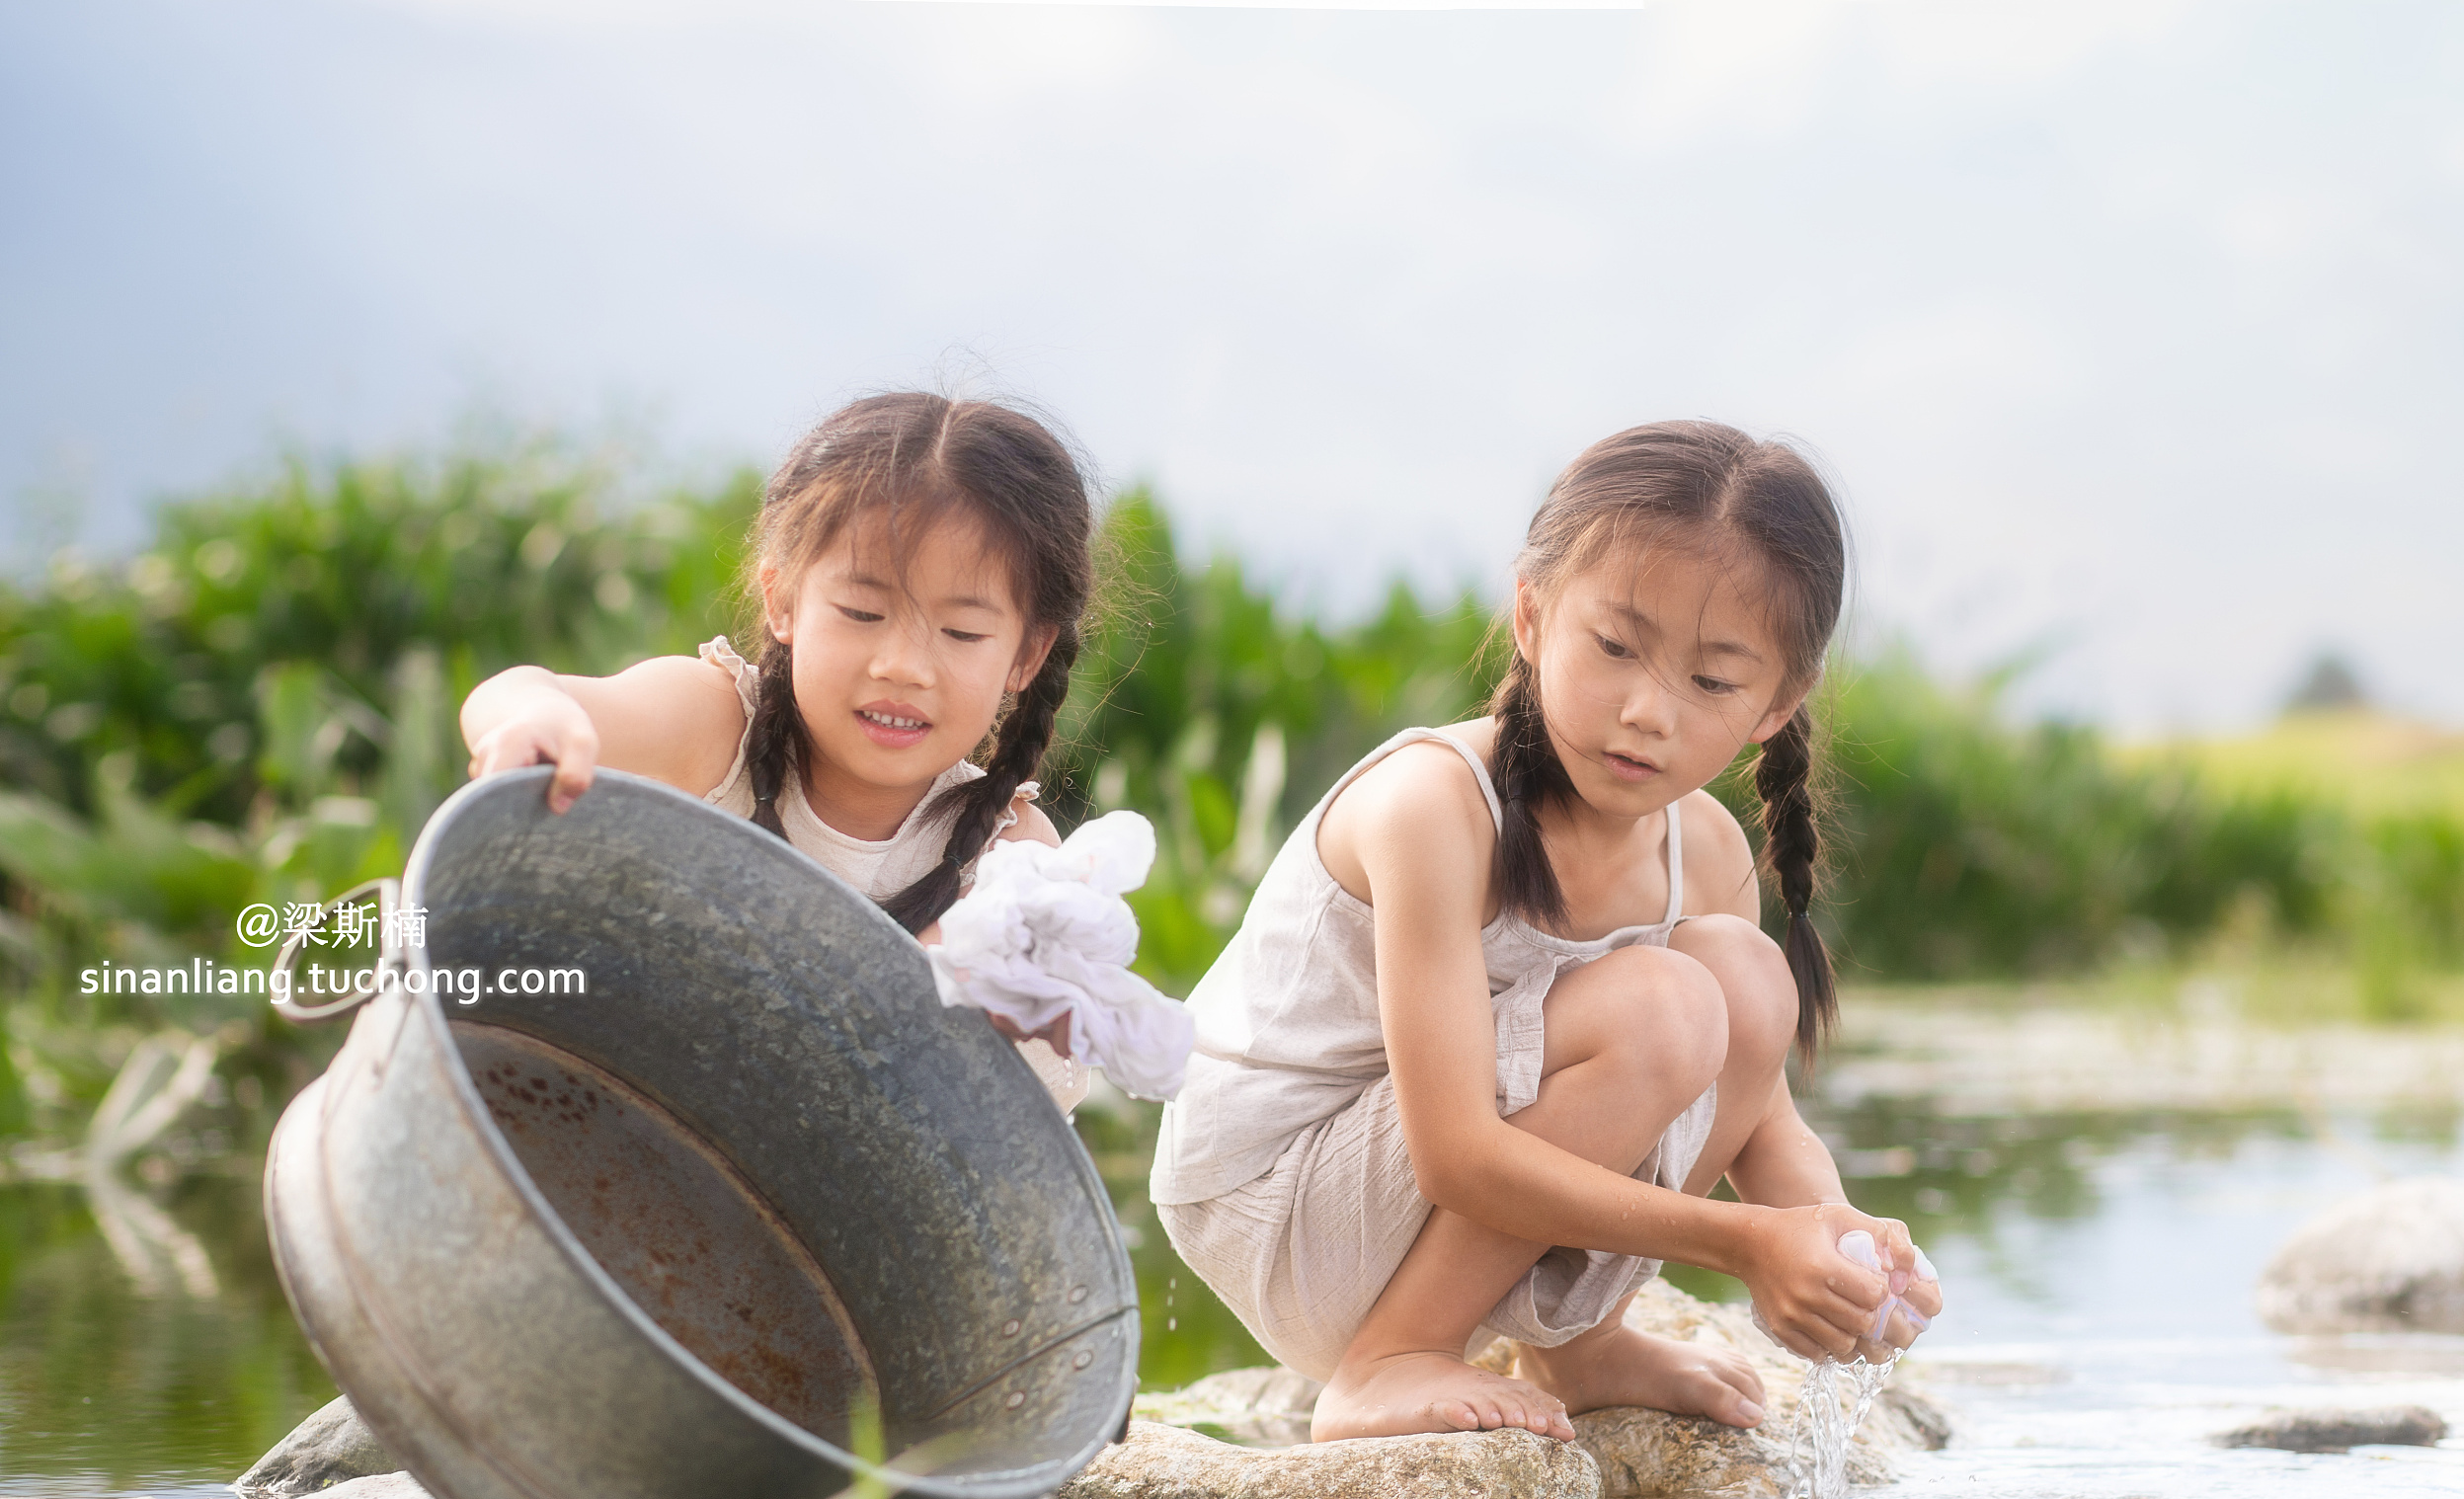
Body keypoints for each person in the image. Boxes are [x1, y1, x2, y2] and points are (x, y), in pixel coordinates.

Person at [1152, 420, 1940, 1442]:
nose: (1647, 711)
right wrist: (1745, 1244)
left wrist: (1840, 1247)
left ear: (1775, 706)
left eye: (1710, 680)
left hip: (1424, 1209)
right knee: (1666, 1006)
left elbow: (1759, 1121)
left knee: (1743, 980)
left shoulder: (1701, 850)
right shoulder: (1433, 805)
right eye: (1614, 646)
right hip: (1284, 1200)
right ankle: (1389, 1359)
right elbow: (1456, 1158)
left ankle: (1578, 1345)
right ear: (1531, 613)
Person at [455, 390, 1101, 1107]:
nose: (903, 666)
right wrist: (533, 718)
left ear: (1027, 655)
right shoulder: (710, 725)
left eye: (961, 634)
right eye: (862, 612)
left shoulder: (1013, 862)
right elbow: (520, 693)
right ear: (783, 600)